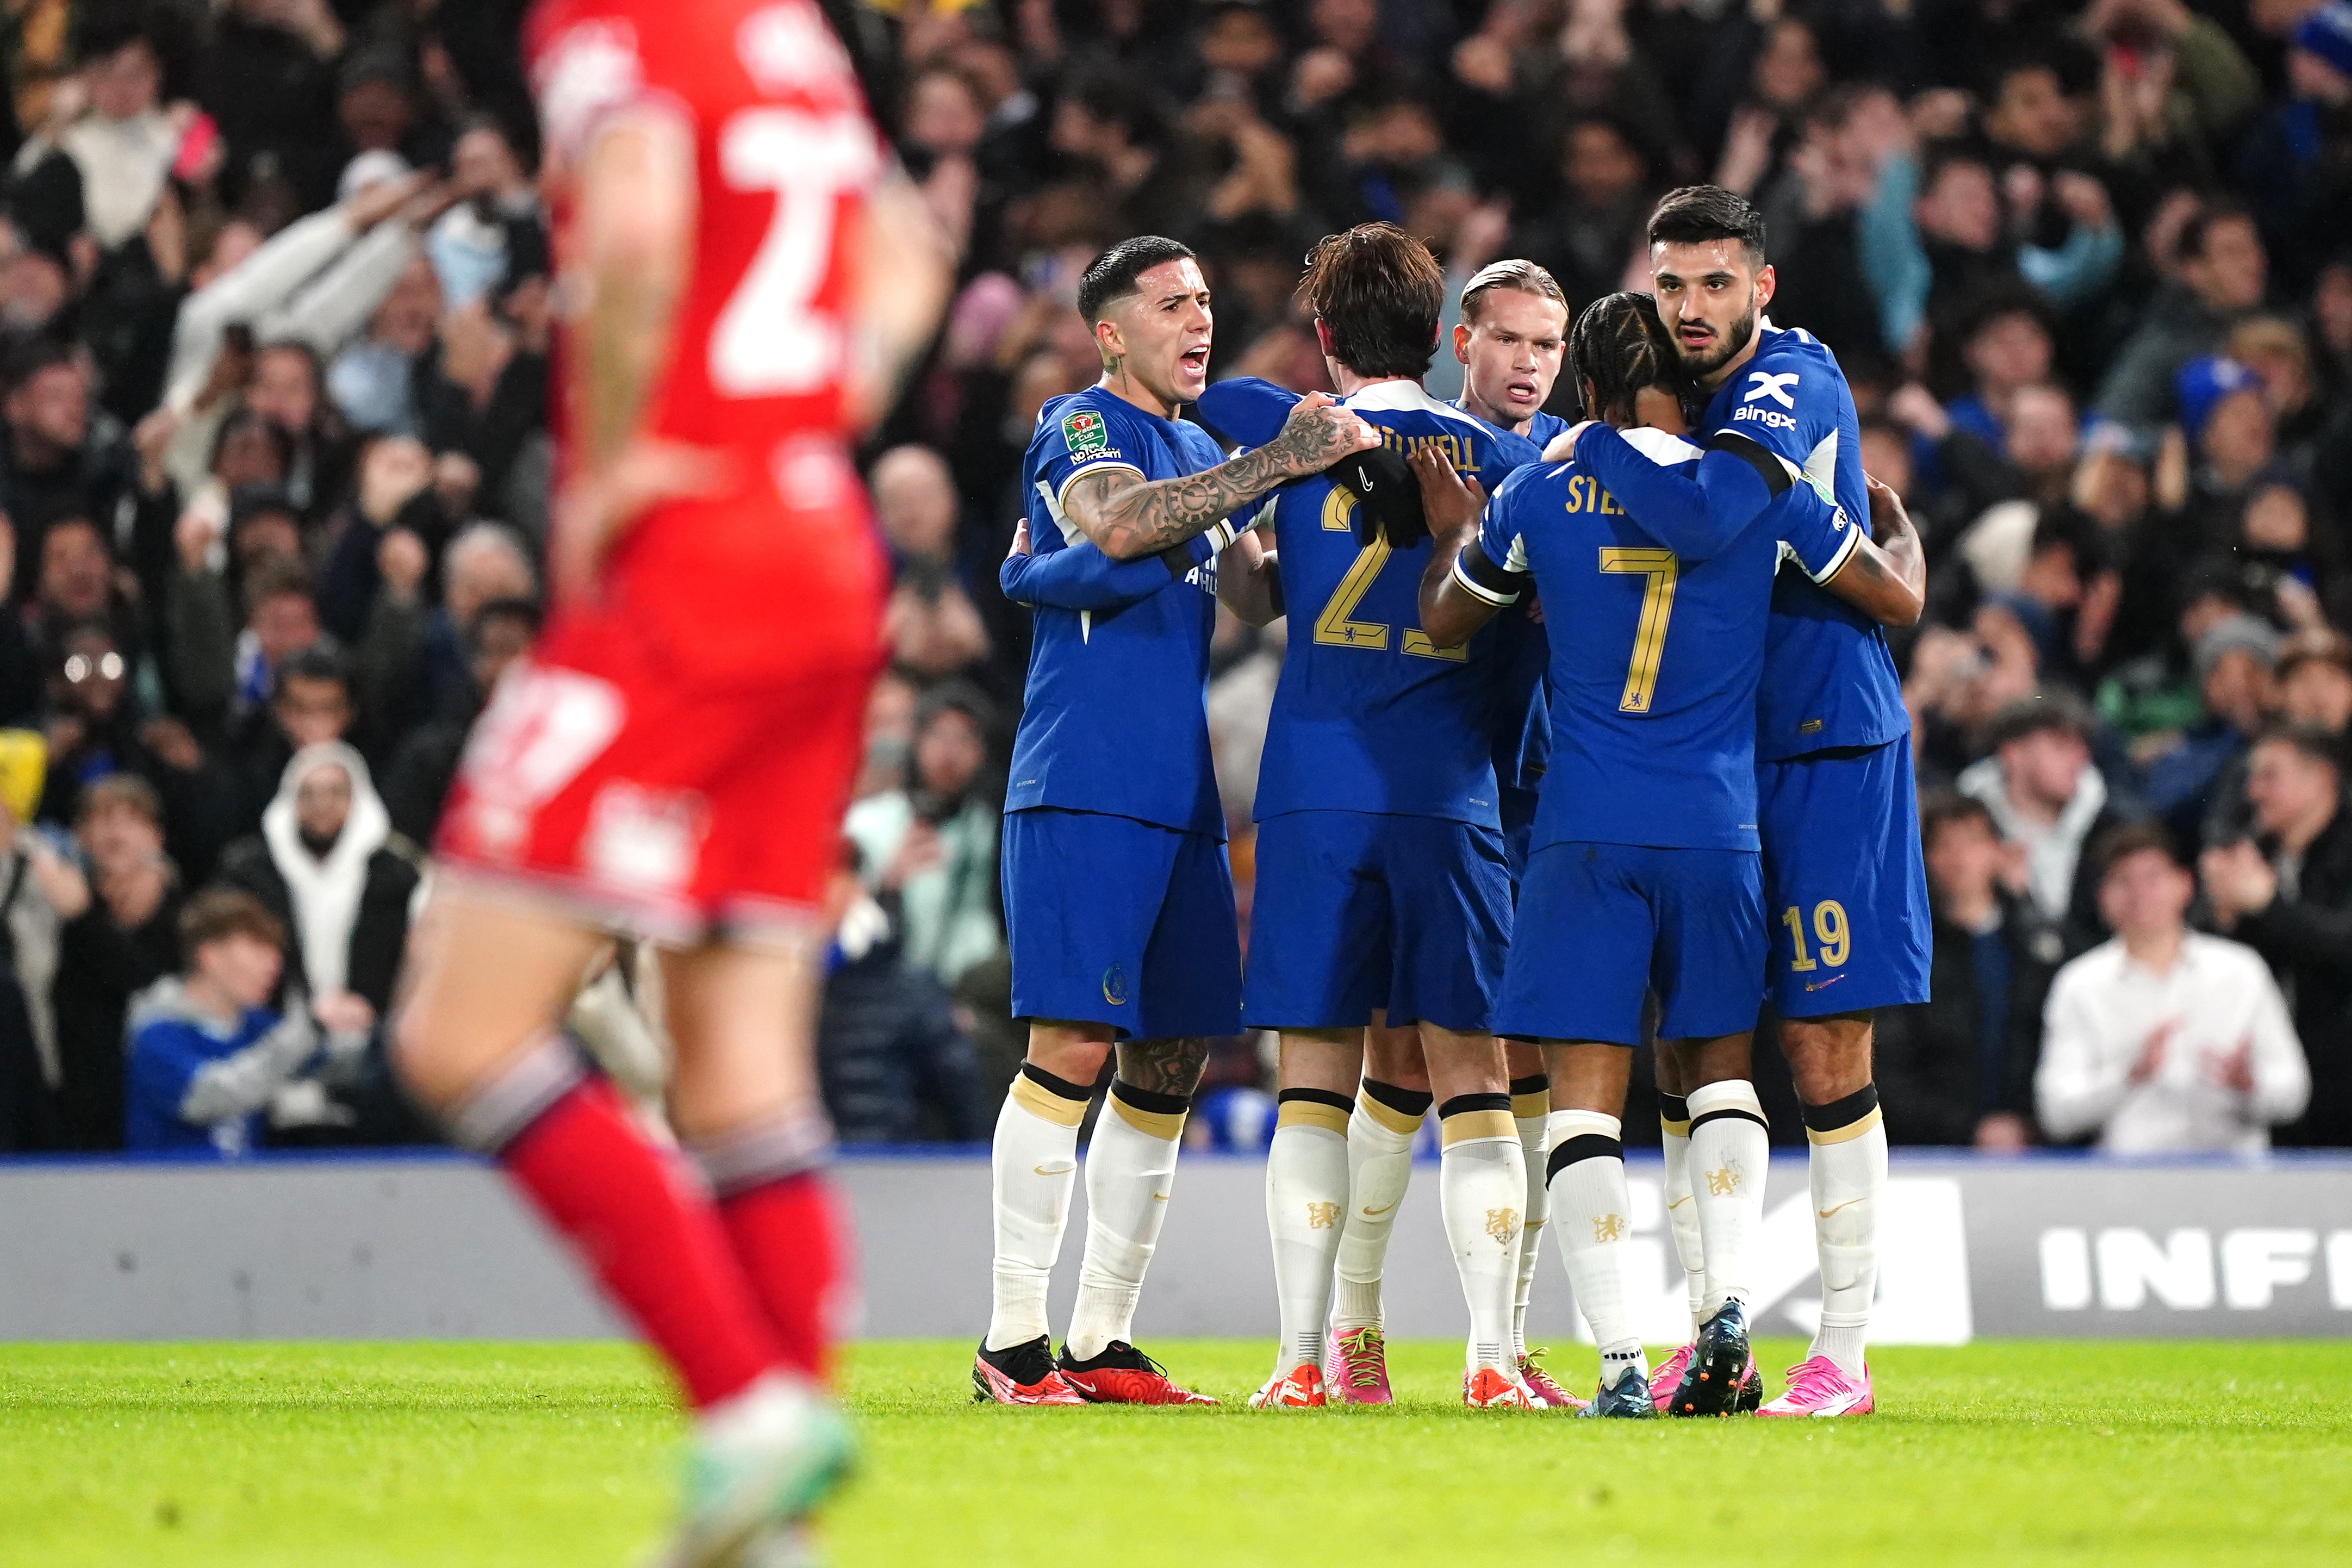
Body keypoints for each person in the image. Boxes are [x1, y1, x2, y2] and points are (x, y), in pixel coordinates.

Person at [393, 2, 952, 1561]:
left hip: (686, 564)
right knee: (736, 1063)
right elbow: (905, 257)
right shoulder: (782, 33)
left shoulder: (611, 20)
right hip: (819, 551)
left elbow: (636, 220)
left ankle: (743, 1405)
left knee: (454, 1027)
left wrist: (615, 462)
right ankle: (779, 1528)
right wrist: (800, 418)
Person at [1417, 291, 1919, 1416]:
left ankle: (1619, 1364)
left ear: (1585, 388)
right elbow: (1893, 594)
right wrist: (1903, 535)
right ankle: (1727, 1314)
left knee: (1589, 1102)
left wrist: (1459, 527)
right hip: (1720, 827)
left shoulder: (1539, 486)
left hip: (1586, 826)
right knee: (1720, 1075)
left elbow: (1449, 616)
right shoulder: (1753, 488)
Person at [975, 233, 1369, 1408]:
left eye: (1204, 301)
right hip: (1085, 778)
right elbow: (1119, 525)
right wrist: (1272, 462)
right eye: (1168, 306)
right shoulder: (1083, 427)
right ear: (1110, 332)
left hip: (1180, 792)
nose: (1197, 322)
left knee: (1173, 1051)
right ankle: (1011, 1338)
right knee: (1074, 1047)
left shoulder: (1202, 446)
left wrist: (1351, 490)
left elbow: (1250, 590)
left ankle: (1100, 1338)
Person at [1561, 186, 1931, 1419]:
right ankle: (1717, 1331)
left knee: (1825, 1049)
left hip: (1821, 740)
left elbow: (1744, 519)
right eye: (1672, 286)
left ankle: (1843, 1353)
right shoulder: (1667, 401)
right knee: (1695, 1045)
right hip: (1704, 760)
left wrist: (1593, 442)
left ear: (1762, 287)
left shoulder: (1792, 385)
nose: (1694, 308)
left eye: (1718, 283)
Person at [1199, 222, 1546, 1413]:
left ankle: (1303, 1359)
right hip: (1451, 794)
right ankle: (1495, 1357)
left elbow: (1217, 400)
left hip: (1313, 792)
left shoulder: (1283, 428)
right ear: (1442, 333)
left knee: (1315, 1079)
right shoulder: (1499, 457)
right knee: (1473, 1079)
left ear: (1328, 335)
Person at [2039, 824, 2308, 1153]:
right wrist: (2130, 1076)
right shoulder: (2079, 985)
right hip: (2127, 1182)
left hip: (2234, 1174)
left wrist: (2249, 1085)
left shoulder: (2241, 971)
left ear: (2185, 885)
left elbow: (2293, 1093)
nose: (2140, 894)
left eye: (2153, 879)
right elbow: (2056, 1112)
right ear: (2103, 897)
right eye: (2124, 881)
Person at [1872, 792, 2063, 1148]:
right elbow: (1889, 1068)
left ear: (1999, 852)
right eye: (1945, 845)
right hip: (1932, 1150)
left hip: (2036, 1148)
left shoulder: (2040, 948)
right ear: (1926, 858)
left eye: (1972, 843)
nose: (1959, 859)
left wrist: (2029, 1125)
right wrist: (1969, 1129)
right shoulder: (1902, 953)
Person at [2201, 725, 2352, 1146]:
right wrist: (2224, 916)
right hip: (2269, 1082)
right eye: (2252, 778)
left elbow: (2343, 946)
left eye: (2270, 776)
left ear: (2321, 778)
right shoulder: (2256, 853)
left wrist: (2268, 907)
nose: (2253, 791)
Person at [123, 888, 341, 1157]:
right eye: (258, 949)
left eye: (275, 952)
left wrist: (349, 1033)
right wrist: (309, 1031)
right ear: (209, 956)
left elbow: (327, 1065)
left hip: (245, 1193)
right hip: (169, 1194)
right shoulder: (158, 1035)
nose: (273, 965)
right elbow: (209, 1096)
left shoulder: (259, 1027)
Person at [216, 742, 419, 1022]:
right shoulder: (250, 871)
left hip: (373, 1026)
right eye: (308, 794)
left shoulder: (396, 874)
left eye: (335, 793)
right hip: (270, 1026)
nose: (322, 806)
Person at [52, 774, 184, 1150]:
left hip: (162, 1105)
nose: (115, 830)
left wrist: (84, 919)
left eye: (131, 819)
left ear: (156, 838)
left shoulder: (183, 917)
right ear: (79, 836)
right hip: (78, 1106)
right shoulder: (59, 911)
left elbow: (155, 992)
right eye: (100, 818)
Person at [1957, 693, 2127, 944]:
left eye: (2082, 748)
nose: (2079, 758)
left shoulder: (2115, 828)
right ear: (2013, 753)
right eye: (2061, 746)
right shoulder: (1960, 825)